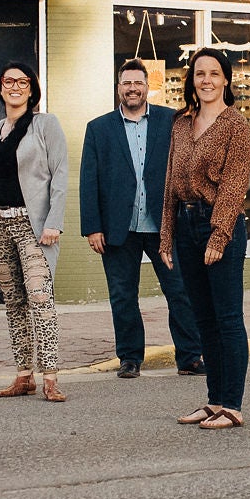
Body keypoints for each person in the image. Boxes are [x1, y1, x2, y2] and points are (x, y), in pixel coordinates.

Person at [79, 59, 204, 379]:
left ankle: (190, 356)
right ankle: (130, 357)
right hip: (118, 228)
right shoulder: (98, 128)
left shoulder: (172, 120)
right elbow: (88, 179)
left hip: (166, 225)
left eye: (138, 83)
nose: (132, 88)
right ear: (118, 88)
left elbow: (187, 167)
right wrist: (92, 227)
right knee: (122, 295)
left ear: (148, 87)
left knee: (181, 291)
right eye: (126, 83)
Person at [0, 60, 71, 401]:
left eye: (23, 82)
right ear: (1, 88)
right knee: (14, 303)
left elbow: (61, 175)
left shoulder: (45, 125)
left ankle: (50, 376)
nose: (15, 87)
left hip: (32, 226)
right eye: (9, 81)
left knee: (40, 297)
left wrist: (54, 221)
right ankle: (24, 375)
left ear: (32, 89)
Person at [159, 47, 250, 430]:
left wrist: (219, 236)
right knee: (204, 319)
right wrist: (166, 236)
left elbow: (234, 185)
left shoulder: (236, 125)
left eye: (214, 73)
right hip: (185, 225)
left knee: (228, 318)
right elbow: (169, 182)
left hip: (222, 226)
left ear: (226, 80)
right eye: (200, 73)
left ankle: (232, 404)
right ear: (192, 80)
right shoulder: (181, 123)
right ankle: (214, 401)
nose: (207, 80)